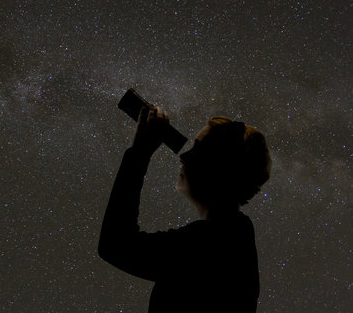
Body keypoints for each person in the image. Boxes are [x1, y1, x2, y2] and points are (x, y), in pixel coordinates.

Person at [98, 105, 271, 312]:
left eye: (198, 148)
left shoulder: (210, 242)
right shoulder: (235, 235)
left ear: (218, 168)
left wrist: (140, 152)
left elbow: (116, 244)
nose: (183, 157)